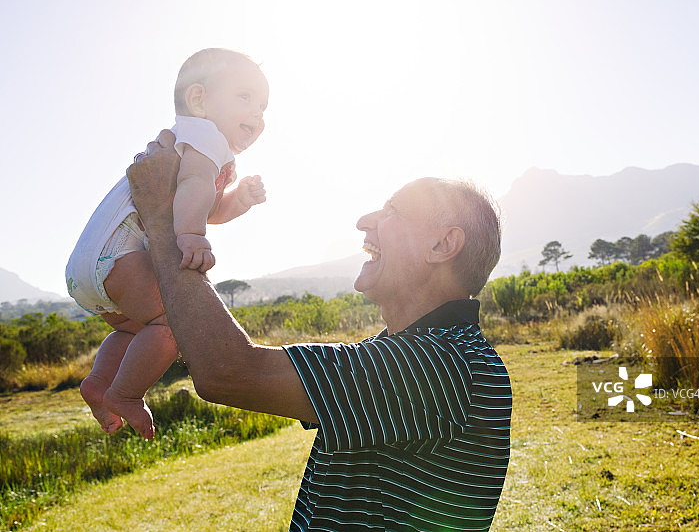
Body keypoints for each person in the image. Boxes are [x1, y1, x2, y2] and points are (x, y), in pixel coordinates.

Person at [126, 130, 512, 531]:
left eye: (393, 211)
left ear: (442, 245)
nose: (365, 222)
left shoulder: (446, 364)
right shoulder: (431, 353)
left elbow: (229, 371)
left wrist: (160, 219)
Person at [65, 49, 269, 439]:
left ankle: (100, 383)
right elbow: (194, 189)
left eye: (263, 105)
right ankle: (125, 394)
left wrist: (238, 199)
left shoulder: (197, 145)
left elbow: (201, 204)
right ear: (199, 100)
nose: (258, 113)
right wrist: (192, 237)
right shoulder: (206, 134)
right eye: (245, 97)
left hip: (90, 268)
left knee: (135, 330)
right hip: (120, 250)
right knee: (174, 320)